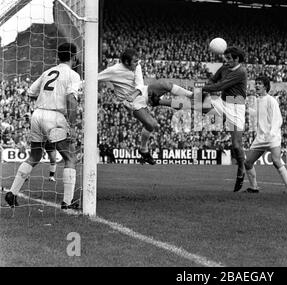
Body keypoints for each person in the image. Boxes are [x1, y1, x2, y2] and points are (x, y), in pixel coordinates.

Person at [5, 42, 81, 209]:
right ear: (74, 57)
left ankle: (12, 192)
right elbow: (71, 100)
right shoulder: (73, 75)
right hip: (55, 116)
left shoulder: (48, 72)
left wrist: (47, 98)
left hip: (37, 115)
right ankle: (67, 202)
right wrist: (73, 126)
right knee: (70, 158)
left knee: (35, 156)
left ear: (58, 56)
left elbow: (31, 92)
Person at [98, 48, 193, 165]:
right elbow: (94, 78)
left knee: (165, 85)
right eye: (134, 62)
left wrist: (134, 94)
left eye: (137, 61)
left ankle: (192, 95)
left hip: (143, 92)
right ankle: (144, 150)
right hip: (132, 103)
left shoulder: (136, 66)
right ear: (126, 62)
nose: (137, 63)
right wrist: (75, 88)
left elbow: (139, 84)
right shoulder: (113, 71)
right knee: (152, 124)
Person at [200, 46, 247, 192]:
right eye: (225, 59)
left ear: (237, 59)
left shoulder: (240, 71)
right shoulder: (225, 67)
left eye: (228, 59)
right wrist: (205, 86)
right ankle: (217, 119)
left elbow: (221, 85)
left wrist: (203, 88)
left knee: (236, 146)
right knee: (200, 106)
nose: (225, 62)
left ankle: (241, 169)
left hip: (236, 107)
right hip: (223, 101)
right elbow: (214, 79)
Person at [243, 76, 287, 194]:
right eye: (256, 83)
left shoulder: (271, 100)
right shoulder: (256, 101)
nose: (257, 85)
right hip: (261, 137)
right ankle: (254, 187)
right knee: (248, 162)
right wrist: (245, 110)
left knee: (276, 161)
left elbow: (278, 119)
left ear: (265, 86)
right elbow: (255, 114)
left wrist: (272, 133)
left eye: (260, 83)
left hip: (272, 137)